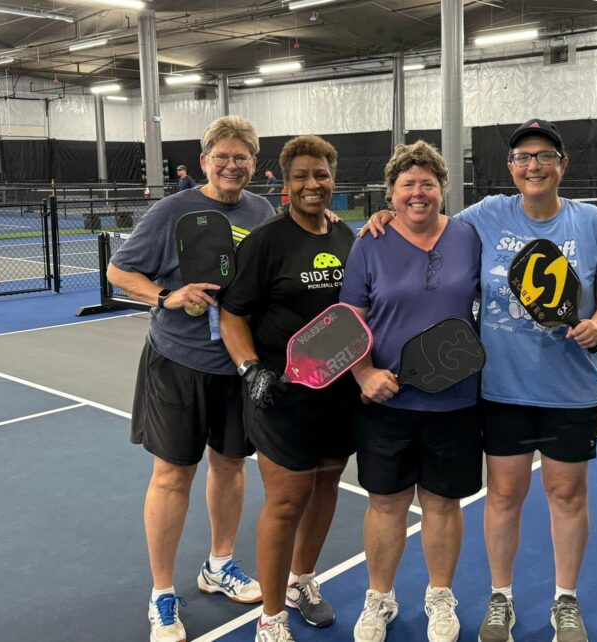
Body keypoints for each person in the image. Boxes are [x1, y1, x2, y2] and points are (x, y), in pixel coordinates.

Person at [362, 119, 597, 642]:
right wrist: (386, 216)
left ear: (562, 163)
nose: (534, 165)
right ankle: (500, 598)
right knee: (504, 497)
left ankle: (565, 600)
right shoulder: (484, 217)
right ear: (511, 168)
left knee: (567, 494)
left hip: (570, 389)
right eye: (524, 157)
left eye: (545, 155)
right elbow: (425, 221)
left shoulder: (592, 222)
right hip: (501, 387)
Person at [108, 115, 273, 642]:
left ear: (254, 164)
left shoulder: (262, 210)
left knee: (230, 468)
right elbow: (118, 270)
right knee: (173, 475)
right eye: (221, 156)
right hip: (178, 363)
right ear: (204, 162)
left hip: (236, 365)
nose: (231, 165)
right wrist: (165, 296)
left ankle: (218, 564)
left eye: (241, 157)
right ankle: (161, 594)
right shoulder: (171, 210)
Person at [340, 141, 483, 642]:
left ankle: (440, 597)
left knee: (443, 504)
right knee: (386, 504)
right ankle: (379, 599)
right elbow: (350, 320)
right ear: (391, 193)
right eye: (407, 185)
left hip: (457, 400)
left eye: (427, 184)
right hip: (387, 402)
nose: (418, 193)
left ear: (443, 189)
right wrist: (362, 376)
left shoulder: (469, 236)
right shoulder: (369, 243)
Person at [219, 134, 357, 642]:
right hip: (279, 393)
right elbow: (232, 313)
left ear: (332, 178)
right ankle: (271, 617)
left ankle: (302, 582)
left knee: (326, 487)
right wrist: (250, 369)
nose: (312, 184)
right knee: (286, 500)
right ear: (284, 183)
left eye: (320, 174)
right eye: (301, 175)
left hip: (338, 393)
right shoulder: (265, 243)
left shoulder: (350, 238)